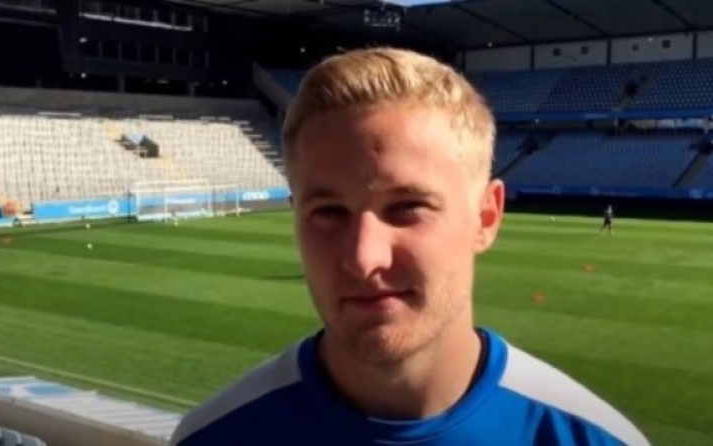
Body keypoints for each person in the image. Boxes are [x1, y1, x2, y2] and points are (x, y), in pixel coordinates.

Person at [169, 48, 650, 446]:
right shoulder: (213, 437)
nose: (364, 258)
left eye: (407, 207)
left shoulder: (595, 439)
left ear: (486, 217)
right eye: (329, 212)